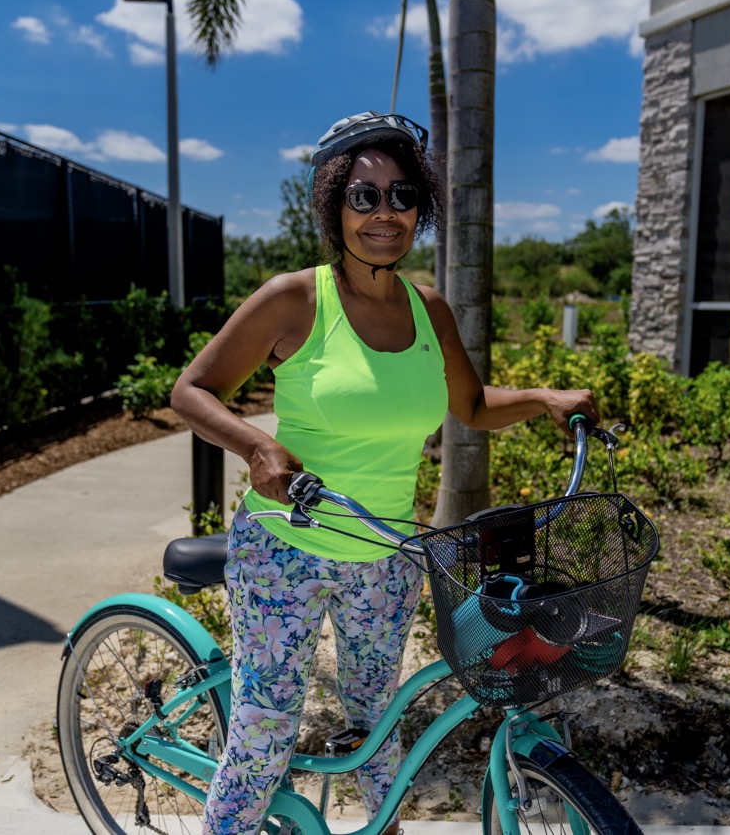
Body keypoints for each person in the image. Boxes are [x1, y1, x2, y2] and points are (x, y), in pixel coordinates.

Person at [170, 111, 597, 835]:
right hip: (286, 550)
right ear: (334, 205)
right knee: (267, 731)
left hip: (386, 556)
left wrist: (543, 398)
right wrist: (256, 447)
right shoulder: (295, 299)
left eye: (401, 196)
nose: (384, 213)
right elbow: (191, 389)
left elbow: (471, 402)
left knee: (377, 728)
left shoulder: (429, 308)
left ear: (419, 208)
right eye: (363, 196)